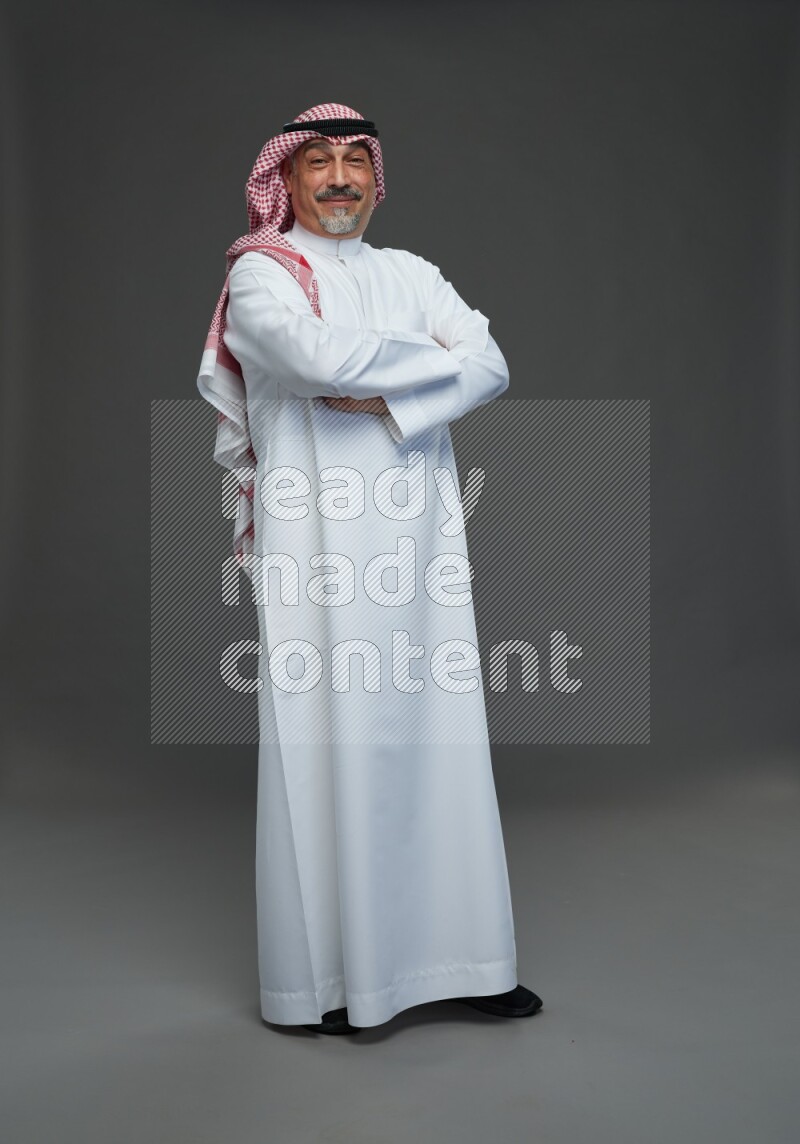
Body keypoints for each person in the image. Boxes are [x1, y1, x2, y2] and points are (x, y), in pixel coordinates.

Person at [196, 102, 542, 1034]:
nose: (341, 177)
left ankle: (469, 962)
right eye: (320, 162)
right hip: (316, 542)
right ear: (289, 178)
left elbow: (493, 362)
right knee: (331, 736)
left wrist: (384, 400)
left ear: (374, 177)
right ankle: (338, 984)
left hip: (421, 537)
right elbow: (309, 356)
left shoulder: (413, 272)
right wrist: (428, 365)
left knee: (441, 729)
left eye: (356, 160)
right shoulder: (264, 274)